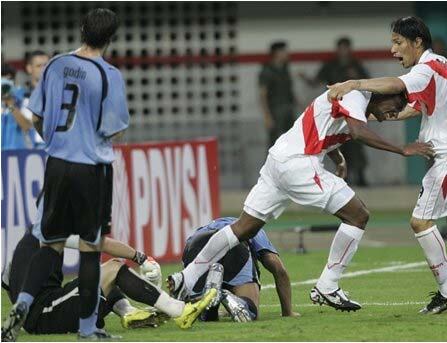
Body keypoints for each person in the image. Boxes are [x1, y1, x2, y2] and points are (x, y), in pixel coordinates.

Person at [167, 85, 434, 312]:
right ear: (382, 93)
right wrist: (402, 148)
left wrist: (337, 156)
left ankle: (186, 279)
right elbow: (357, 132)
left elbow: (327, 126)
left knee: (243, 228)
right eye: (396, 104)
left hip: (279, 160)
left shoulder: (356, 103)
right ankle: (328, 286)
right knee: (358, 215)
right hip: (299, 164)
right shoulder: (356, 95)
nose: (394, 113)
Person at [326, 16, 447, 314]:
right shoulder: (441, 64)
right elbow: (416, 107)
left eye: (397, 42)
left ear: (417, 42)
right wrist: (366, 118)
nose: (393, 50)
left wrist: (353, 84)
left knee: (420, 221)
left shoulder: (426, 68)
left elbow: (394, 84)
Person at [2, 8, 129, 341]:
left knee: (50, 245)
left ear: (81, 29)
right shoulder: (109, 75)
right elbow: (113, 130)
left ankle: (23, 304)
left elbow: (38, 116)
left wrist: (60, 142)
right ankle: (88, 330)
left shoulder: (55, 65)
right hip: (92, 169)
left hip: (56, 165)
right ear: (110, 39)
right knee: (90, 249)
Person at [1, 229, 216, 338]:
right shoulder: (53, 228)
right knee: (112, 269)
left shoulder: (30, 236)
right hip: (47, 313)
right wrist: (140, 257)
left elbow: (6, 279)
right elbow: (102, 244)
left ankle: (129, 313)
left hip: (43, 311)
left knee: (101, 274)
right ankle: (179, 310)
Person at [181, 217, 298, 322]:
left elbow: (184, 288)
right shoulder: (252, 227)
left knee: (201, 312)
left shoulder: (199, 231)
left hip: (196, 246)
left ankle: (210, 303)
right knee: (250, 311)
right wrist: (288, 312)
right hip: (235, 245)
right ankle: (224, 295)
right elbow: (278, 268)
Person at [300, 37, 371, 186]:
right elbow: (317, 81)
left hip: (353, 111)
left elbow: (368, 83)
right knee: (337, 144)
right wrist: (304, 78)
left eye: (346, 48)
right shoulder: (330, 65)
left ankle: (360, 176)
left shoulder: (355, 64)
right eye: (341, 48)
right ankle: (343, 176)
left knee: (356, 144)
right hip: (334, 112)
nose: (344, 51)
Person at [259, 41, 296, 147]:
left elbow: (289, 90)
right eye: (284, 51)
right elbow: (263, 94)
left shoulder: (285, 69)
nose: (287, 54)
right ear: (277, 53)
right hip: (275, 110)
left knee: (292, 138)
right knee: (274, 141)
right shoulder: (267, 71)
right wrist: (267, 116)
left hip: (288, 107)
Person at [21, 50, 50, 148]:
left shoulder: (60, 95)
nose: (43, 69)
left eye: (46, 65)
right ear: (29, 68)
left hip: (54, 151)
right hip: (27, 152)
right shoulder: (19, 96)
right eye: (39, 66)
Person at [1, 65, 33, 150]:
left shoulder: (23, 97)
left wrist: (10, 104)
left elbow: (27, 126)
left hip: (16, 154)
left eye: (9, 79)